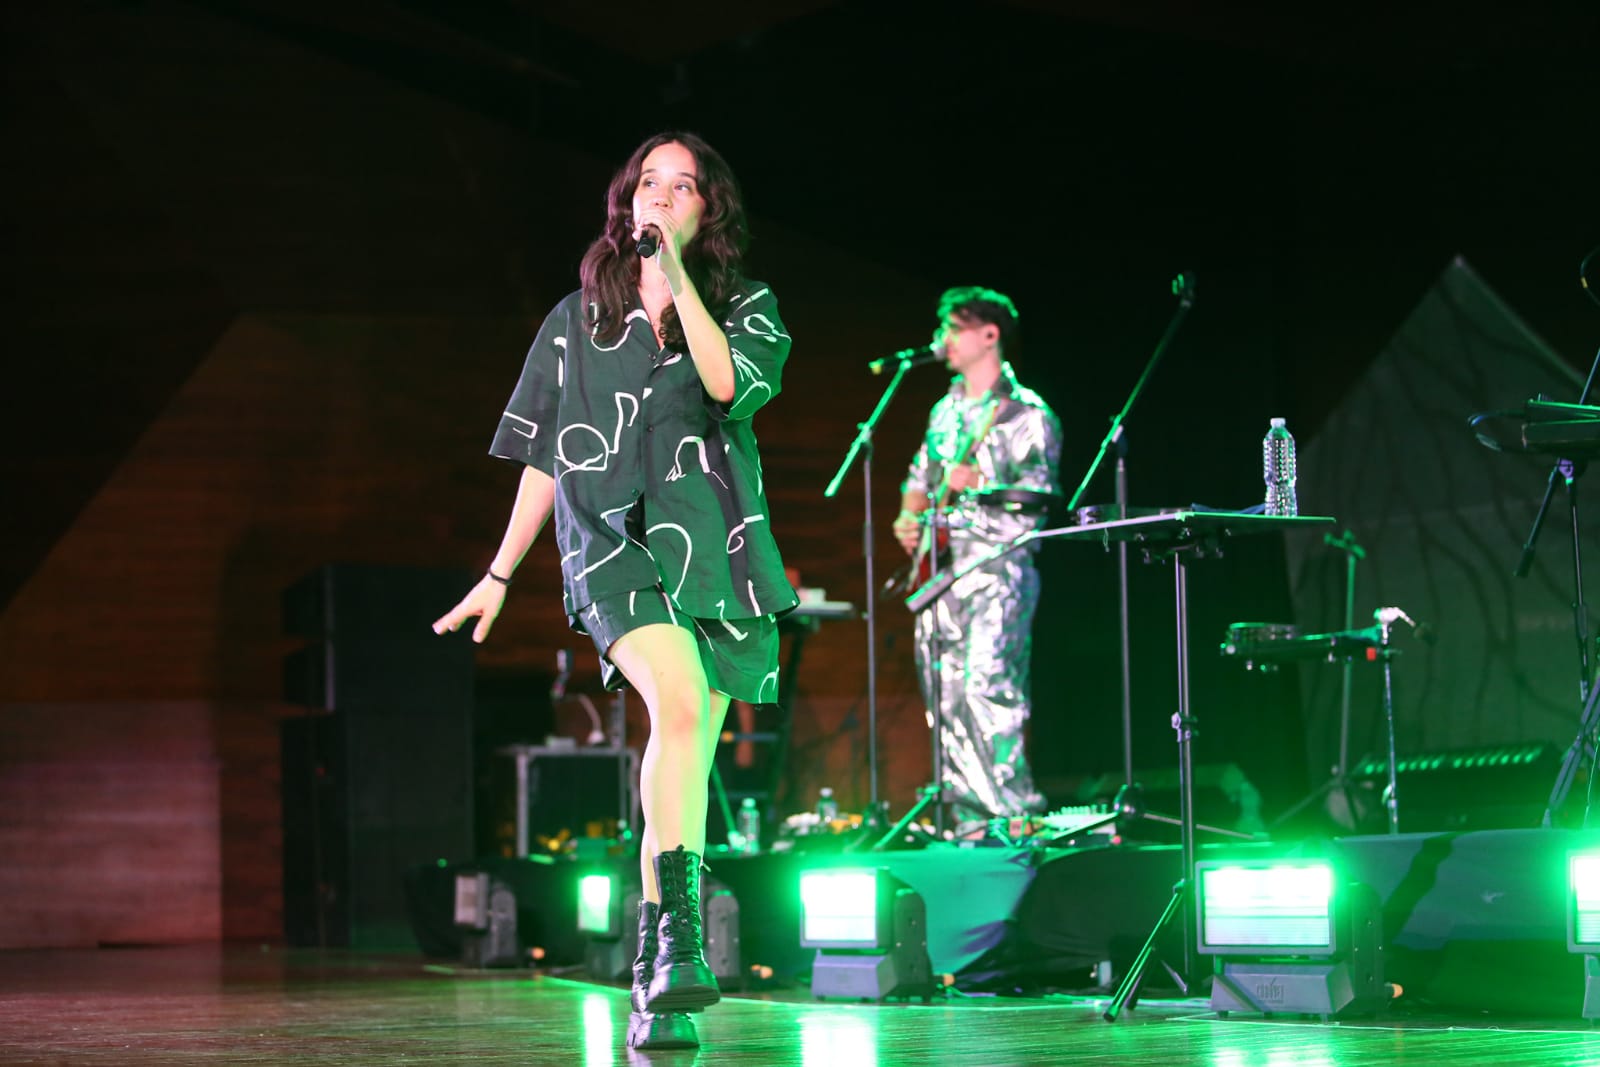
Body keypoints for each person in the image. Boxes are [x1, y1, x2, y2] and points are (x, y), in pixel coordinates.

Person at [433, 131, 796, 1051]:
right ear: (624, 201)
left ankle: (654, 975)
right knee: (675, 704)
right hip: (612, 549)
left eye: (684, 189)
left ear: (708, 210)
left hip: (719, 557)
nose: (664, 199)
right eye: (650, 185)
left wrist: (675, 277)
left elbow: (727, 384)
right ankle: (679, 935)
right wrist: (498, 573)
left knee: (684, 754)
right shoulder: (573, 320)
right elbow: (546, 458)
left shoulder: (747, 306)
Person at [891, 286, 1062, 834]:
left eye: (953, 328)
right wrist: (908, 518)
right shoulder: (944, 410)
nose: (943, 340)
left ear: (989, 334)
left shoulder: (1027, 414)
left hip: (998, 568)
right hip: (942, 574)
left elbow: (1041, 495)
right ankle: (965, 818)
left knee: (988, 686)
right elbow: (919, 479)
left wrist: (983, 483)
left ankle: (1010, 812)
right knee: (942, 690)